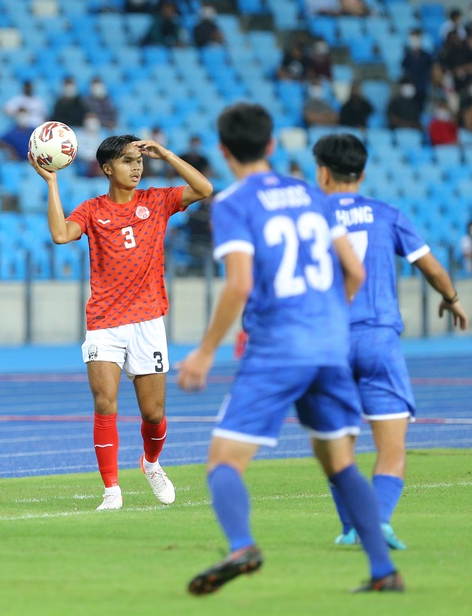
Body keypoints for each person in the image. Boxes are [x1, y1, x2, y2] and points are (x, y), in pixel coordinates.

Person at [177, 102, 404, 594]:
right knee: (339, 462)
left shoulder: (234, 202)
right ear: (272, 145)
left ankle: (242, 544)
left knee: (223, 459)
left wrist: (204, 351)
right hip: (330, 345)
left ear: (223, 150)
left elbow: (238, 285)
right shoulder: (309, 192)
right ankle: (384, 572)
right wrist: (327, 317)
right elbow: (356, 271)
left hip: (278, 346)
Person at [28, 134, 213, 511]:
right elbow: (61, 235)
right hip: (104, 321)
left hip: (147, 320)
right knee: (105, 403)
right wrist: (52, 183)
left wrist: (165, 151)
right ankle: (111, 490)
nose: (137, 167)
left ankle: (151, 462)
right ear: (107, 168)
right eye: (128, 161)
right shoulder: (92, 210)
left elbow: (204, 188)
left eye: (140, 160)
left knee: (154, 414)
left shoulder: (157, 201)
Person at [312, 132, 468, 549]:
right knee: (392, 447)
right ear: (362, 173)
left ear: (322, 172)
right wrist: (451, 299)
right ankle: (376, 524)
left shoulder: (307, 216)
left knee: (335, 447)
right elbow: (431, 267)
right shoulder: (386, 213)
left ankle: (350, 526)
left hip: (328, 343)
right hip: (379, 338)